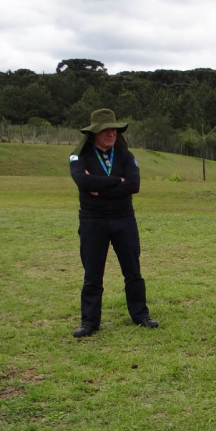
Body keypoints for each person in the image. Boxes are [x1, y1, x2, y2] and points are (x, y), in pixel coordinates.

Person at [68, 108, 158, 338]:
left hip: (124, 219)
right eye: (105, 130)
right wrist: (117, 181)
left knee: (133, 271)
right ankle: (90, 322)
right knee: (93, 274)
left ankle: (140, 315)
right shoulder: (79, 156)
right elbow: (83, 181)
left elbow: (133, 185)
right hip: (92, 221)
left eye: (114, 130)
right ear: (94, 133)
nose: (111, 134)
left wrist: (100, 188)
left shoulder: (126, 156)